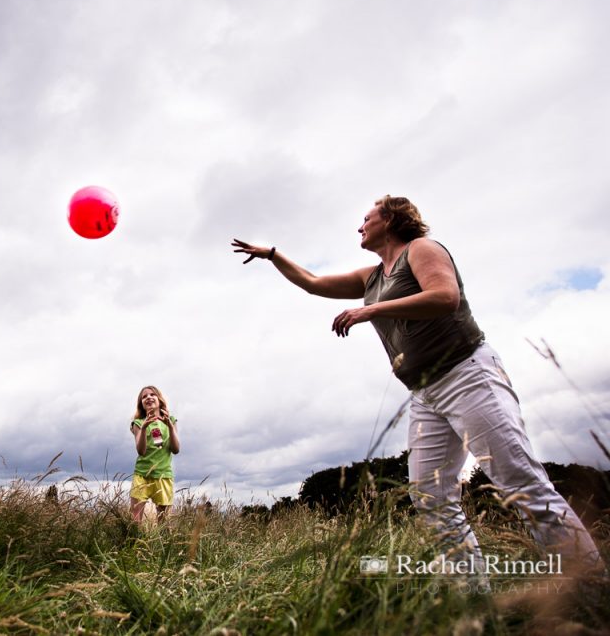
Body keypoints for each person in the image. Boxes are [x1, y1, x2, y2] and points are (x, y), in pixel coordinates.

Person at [232, 196, 602, 574]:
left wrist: (371, 309)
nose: (360, 226)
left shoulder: (420, 250)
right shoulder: (372, 277)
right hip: (424, 393)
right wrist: (272, 255)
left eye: (367, 219)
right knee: (430, 495)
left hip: (466, 373)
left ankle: (588, 588)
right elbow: (313, 283)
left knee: (518, 481)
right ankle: (471, 593)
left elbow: (445, 297)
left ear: (390, 220)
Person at [129, 386, 180, 524]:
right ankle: (134, 544)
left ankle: (162, 546)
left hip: (163, 475)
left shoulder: (171, 421)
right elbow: (141, 450)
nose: (149, 397)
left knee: (163, 523)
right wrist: (145, 427)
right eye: (144, 396)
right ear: (141, 403)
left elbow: (176, 449)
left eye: (153, 394)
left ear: (159, 399)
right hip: (142, 475)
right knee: (135, 522)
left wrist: (169, 425)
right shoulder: (138, 423)